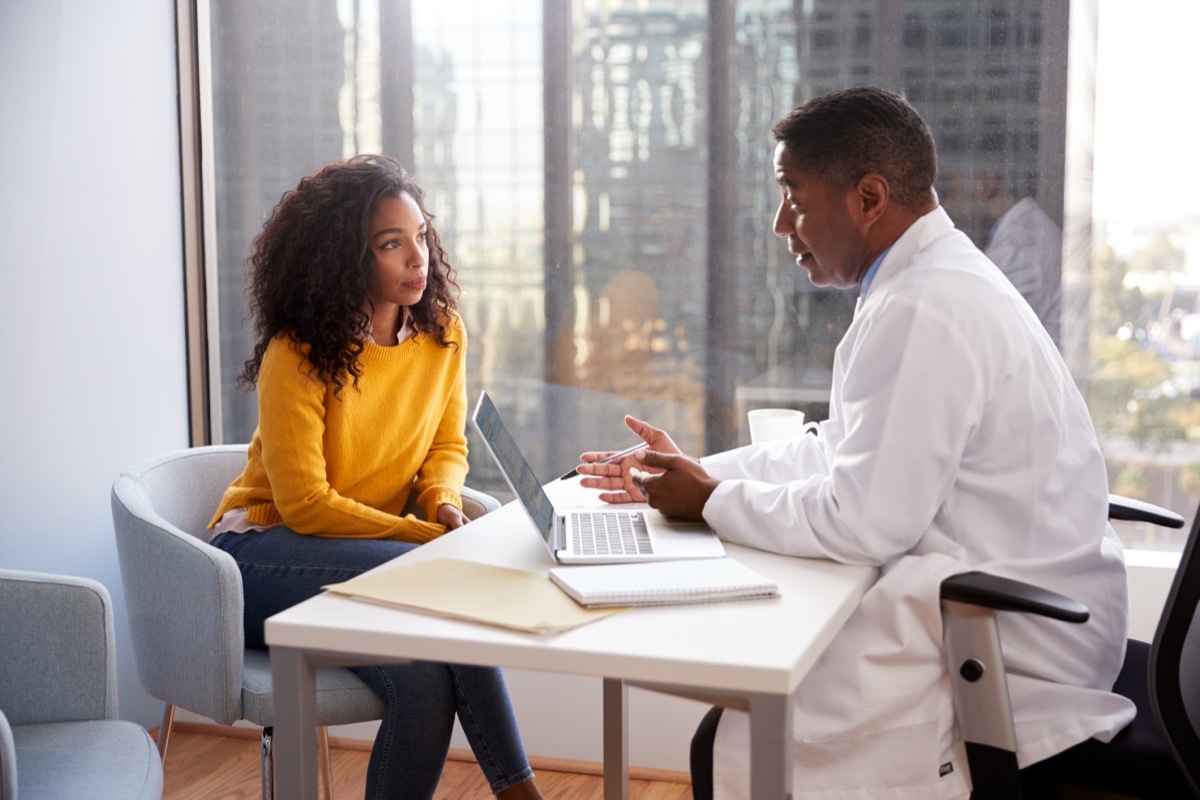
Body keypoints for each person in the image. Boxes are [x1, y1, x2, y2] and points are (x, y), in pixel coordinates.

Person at [577, 87, 1132, 799]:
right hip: (1027, 602)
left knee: (739, 737)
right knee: (746, 706)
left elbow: (867, 521)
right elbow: (839, 447)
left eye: (795, 197)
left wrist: (711, 502)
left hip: (1010, 641)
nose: (782, 224)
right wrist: (694, 472)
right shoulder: (929, 281)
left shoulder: (924, 306)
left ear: (868, 198)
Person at [207, 154, 544, 800]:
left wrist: (441, 502)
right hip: (258, 559)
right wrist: (423, 541)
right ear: (346, 258)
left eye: (420, 237)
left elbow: (447, 445)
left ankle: (517, 791)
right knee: (447, 583)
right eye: (392, 244)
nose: (417, 258)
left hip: (369, 559)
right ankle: (521, 794)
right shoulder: (297, 353)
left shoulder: (442, 335)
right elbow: (304, 506)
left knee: (422, 679)